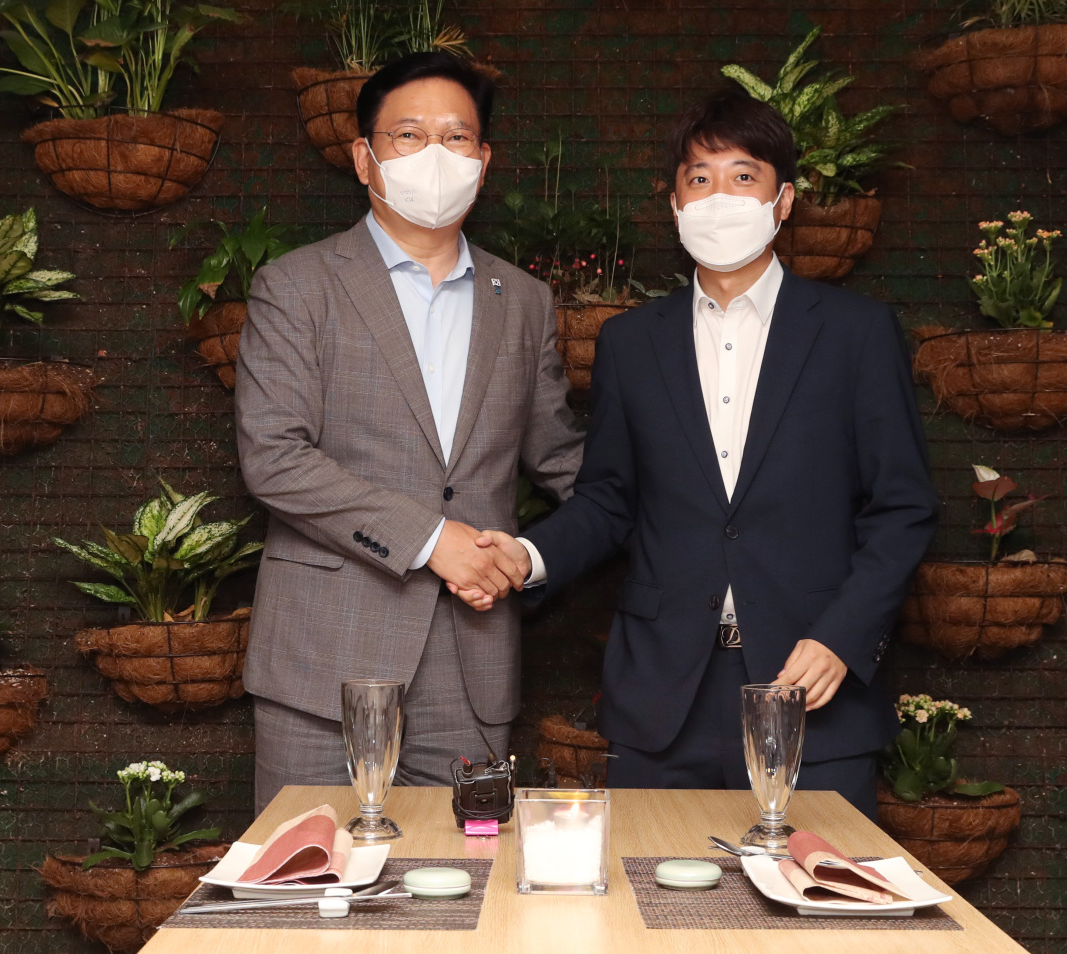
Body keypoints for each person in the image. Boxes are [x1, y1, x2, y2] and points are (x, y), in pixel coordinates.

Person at [458, 85, 938, 819]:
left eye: (745, 177)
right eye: (700, 178)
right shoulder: (631, 342)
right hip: (662, 700)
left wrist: (841, 637)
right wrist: (528, 558)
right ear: (676, 203)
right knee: (651, 918)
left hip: (809, 688)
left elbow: (903, 507)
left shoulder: (855, 333)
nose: (721, 197)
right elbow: (610, 498)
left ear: (784, 202)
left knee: (816, 921)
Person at [235, 52, 582, 814]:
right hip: (323, 666)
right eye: (409, 135)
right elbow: (275, 457)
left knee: (466, 901)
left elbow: (563, 462)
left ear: (483, 162)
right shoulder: (298, 285)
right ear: (365, 158)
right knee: (306, 894)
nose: (437, 156)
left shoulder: (523, 301)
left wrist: (534, 554)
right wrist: (434, 540)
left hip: (473, 664)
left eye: (457, 139)